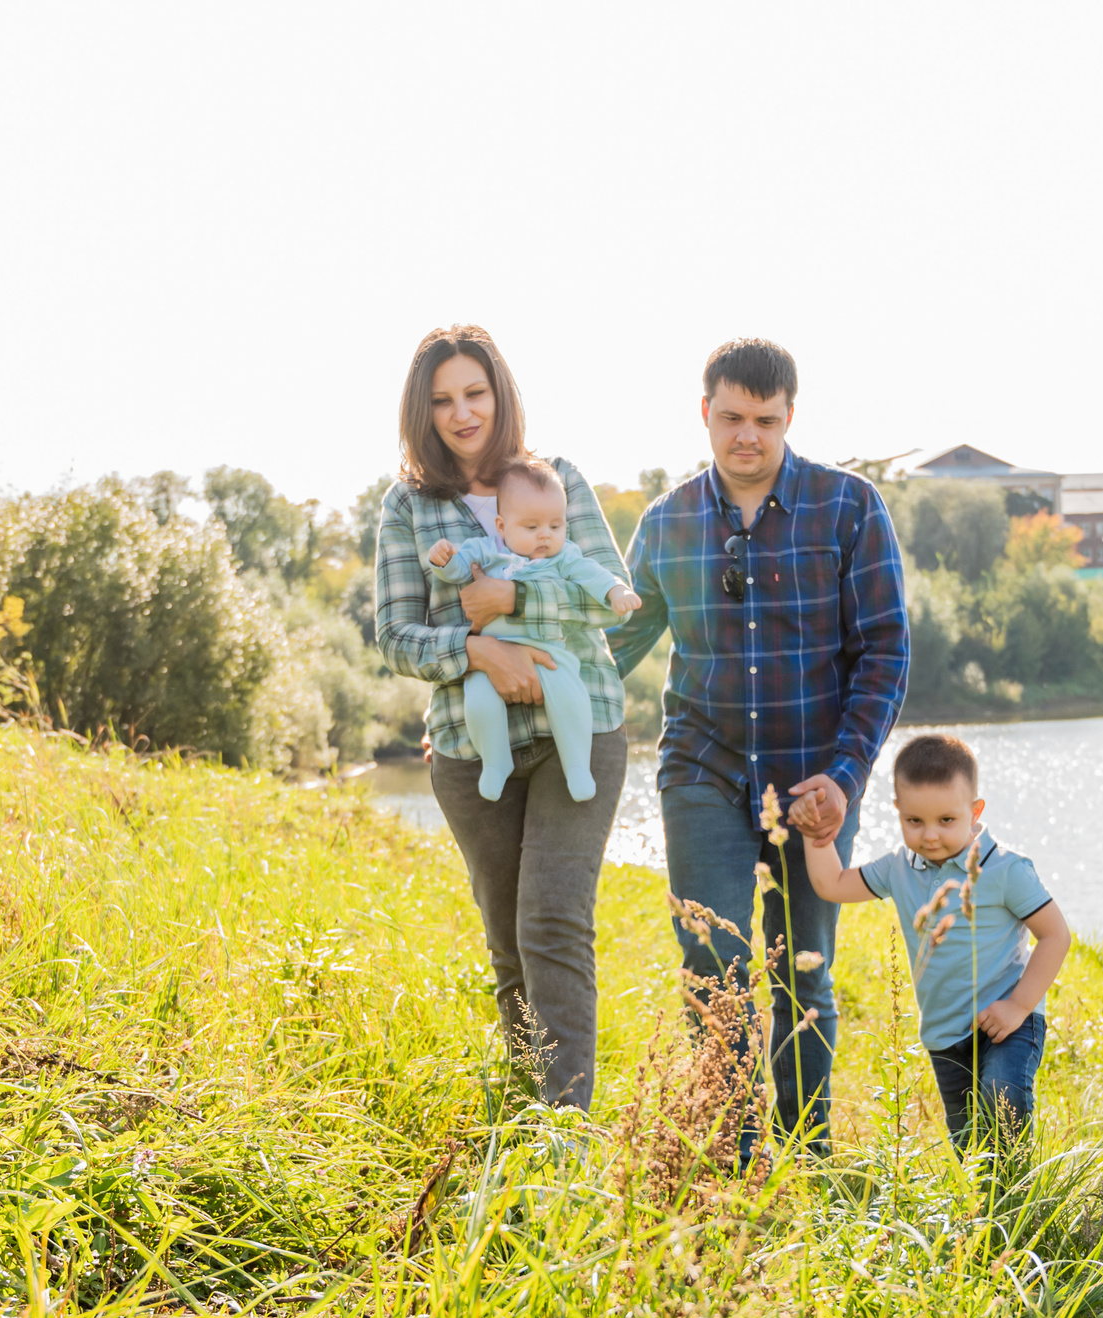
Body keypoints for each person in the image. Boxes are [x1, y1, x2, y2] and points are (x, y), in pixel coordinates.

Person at [612, 337, 910, 1159]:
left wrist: (846, 776)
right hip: (701, 765)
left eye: (766, 421)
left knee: (803, 969)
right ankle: (732, 1150)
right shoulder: (667, 522)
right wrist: (485, 699)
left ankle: (804, 1149)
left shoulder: (848, 507)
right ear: (704, 412)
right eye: (733, 417)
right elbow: (612, 649)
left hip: (814, 775)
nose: (748, 436)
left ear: (790, 417)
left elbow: (885, 651)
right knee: (713, 964)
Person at [373, 325, 634, 1110]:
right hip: (469, 745)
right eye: (444, 399)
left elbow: (609, 598)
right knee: (509, 943)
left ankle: (568, 1132)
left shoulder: (560, 480)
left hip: (578, 732)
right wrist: (478, 650)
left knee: (552, 920)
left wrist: (517, 599)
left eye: (475, 393)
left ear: (501, 393)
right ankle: (527, 1113)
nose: (462, 413)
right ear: (423, 411)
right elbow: (395, 636)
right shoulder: (409, 507)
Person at [801, 733, 1072, 1157]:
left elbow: (1056, 935)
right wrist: (814, 832)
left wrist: (1019, 1005)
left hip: (1006, 1020)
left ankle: (1017, 1196)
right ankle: (984, 1208)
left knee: (1003, 1099)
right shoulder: (898, 867)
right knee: (968, 1143)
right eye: (914, 821)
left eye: (947, 820)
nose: (930, 836)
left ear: (975, 811)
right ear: (898, 813)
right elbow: (832, 884)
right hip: (945, 1034)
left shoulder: (1004, 869)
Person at [428, 456, 643, 803]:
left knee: (571, 699)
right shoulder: (487, 551)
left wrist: (616, 591)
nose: (545, 535)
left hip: (550, 652)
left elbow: (593, 574)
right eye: (531, 528)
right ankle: (495, 763)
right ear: (501, 526)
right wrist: (443, 559)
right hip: (491, 653)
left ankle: (577, 766)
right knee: (480, 703)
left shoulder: (564, 556)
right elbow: (456, 569)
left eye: (555, 526)